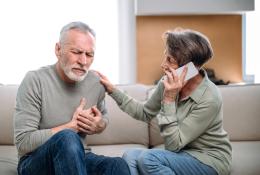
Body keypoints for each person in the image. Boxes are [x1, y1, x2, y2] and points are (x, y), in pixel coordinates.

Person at [97, 28, 232, 175]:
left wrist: (169, 99)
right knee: (130, 156)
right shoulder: (166, 82)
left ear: (190, 69)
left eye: (170, 60)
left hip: (208, 159)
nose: (163, 65)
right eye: (165, 57)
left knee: (148, 159)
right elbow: (144, 112)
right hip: (181, 155)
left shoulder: (210, 97)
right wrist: (112, 90)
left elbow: (173, 145)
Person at [14, 21, 130, 175]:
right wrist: (71, 127)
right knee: (67, 138)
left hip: (79, 157)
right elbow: (23, 143)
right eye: (76, 52)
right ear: (58, 49)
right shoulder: (34, 80)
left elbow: (103, 117)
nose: (83, 61)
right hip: (34, 162)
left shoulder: (95, 82)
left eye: (89, 55)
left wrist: (99, 125)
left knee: (117, 165)